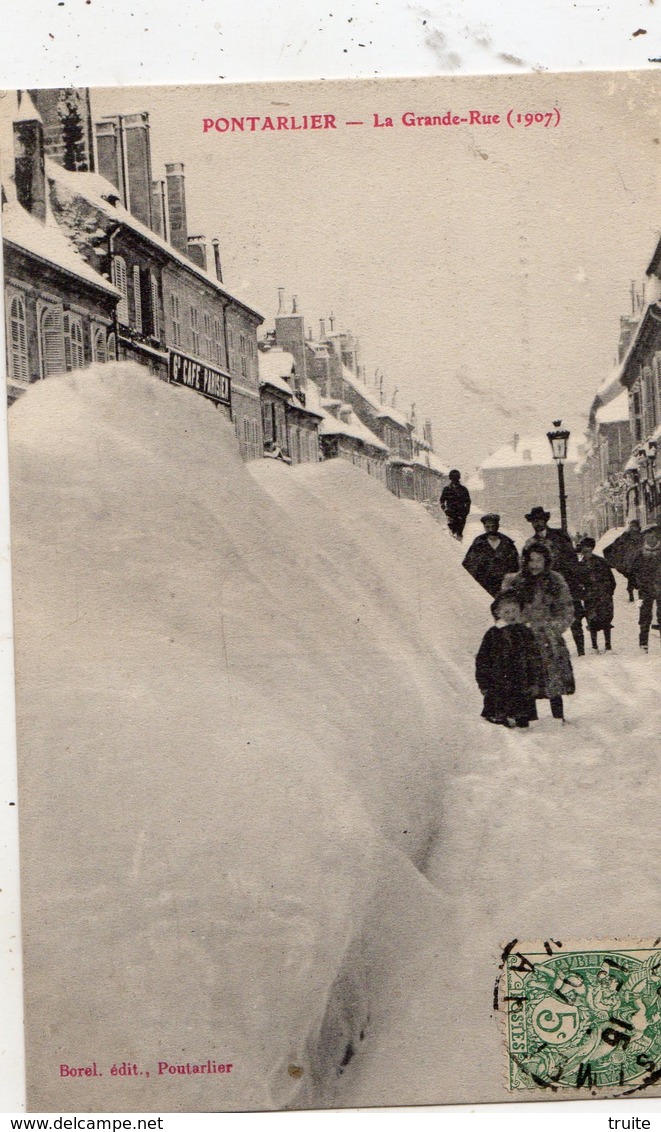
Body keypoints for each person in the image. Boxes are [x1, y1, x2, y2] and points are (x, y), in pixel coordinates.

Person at [501, 542, 576, 721]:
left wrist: (556, 627)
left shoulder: (555, 581)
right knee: (526, 677)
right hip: (523, 637)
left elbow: (567, 609)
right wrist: (514, 627)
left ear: (546, 561)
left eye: (539, 560)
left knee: (553, 679)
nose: (534, 564)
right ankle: (531, 719)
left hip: (548, 638)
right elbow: (504, 607)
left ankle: (558, 718)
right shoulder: (515, 582)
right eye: (531, 560)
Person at [523, 505, 586, 656]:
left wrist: (575, 581)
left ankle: (581, 651)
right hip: (543, 585)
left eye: (540, 520)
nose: (537, 524)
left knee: (573, 616)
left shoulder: (560, 537)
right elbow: (525, 565)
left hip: (565, 581)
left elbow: (571, 559)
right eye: (534, 521)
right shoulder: (530, 543)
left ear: (546, 520)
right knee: (547, 616)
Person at [475, 591, 541, 728]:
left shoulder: (525, 632)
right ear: (498, 614)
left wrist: (535, 681)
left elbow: (533, 657)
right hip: (498, 680)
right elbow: (482, 660)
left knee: (522, 709)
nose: (511, 615)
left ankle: (521, 721)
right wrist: (483, 683)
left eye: (514, 611)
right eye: (506, 612)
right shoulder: (493, 634)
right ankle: (500, 719)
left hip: (522, 679)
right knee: (500, 707)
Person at [462, 513, 520, 597]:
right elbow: (469, 564)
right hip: (484, 586)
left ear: (498, 526)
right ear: (484, 527)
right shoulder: (478, 543)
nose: (490, 529)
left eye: (493, 526)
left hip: (503, 586)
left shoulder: (507, 543)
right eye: (487, 527)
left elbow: (515, 565)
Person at [576, 537, 616, 652]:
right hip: (590, 596)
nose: (586, 550)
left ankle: (608, 645)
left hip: (603, 595)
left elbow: (611, 579)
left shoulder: (601, 562)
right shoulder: (580, 566)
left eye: (588, 547)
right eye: (584, 547)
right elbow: (578, 582)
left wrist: (608, 592)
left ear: (592, 548)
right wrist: (583, 594)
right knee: (591, 620)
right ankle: (594, 646)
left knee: (606, 620)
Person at [630, 523, 661, 652]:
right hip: (644, 590)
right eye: (648, 536)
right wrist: (638, 583)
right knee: (644, 616)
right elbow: (633, 571)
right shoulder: (640, 554)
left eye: (653, 536)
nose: (650, 539)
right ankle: (643, 643)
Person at [603, 519, 643, 602]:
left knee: (636, 578)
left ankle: (635, 592)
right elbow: (614, 546)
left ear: (638, 527)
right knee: (633, 577)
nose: (632, 528)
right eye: (631, 526)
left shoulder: (641, 536)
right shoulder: (625, 536)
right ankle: (632, 592)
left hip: (639, 561)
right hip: (628, 562)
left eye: (634, 526)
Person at [440, 469, 471, 540]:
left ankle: (459, 547)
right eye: (453, 479)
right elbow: (442, 501)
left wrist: (465, 512)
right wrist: (446, 511)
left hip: (461, 515)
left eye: (456, 479)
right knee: (451, 534)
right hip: (451, 515)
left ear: (459, 478)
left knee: (459, 534)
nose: (455, 481)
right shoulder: (446, 489)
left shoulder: (463, 489)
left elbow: (468, 502)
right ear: (450, 479)